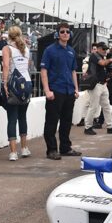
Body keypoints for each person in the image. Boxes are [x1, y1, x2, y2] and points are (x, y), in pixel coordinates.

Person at [40, 22, 82, 160]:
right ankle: (51, 150)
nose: (65, 34)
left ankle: (65, 148)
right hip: (55, 90)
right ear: (57, 34)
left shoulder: (71, 51)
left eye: (67, 32)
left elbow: (73, 71)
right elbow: (44, 71)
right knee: (51, 122)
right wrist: (47, 91)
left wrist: (76, 89)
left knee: (66, 121)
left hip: (69, 91)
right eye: (62, 31)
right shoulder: (49, 50)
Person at [2, 26, 32, 160]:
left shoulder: (7, 48)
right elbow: (28, 66)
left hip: (14, 84)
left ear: (9, 35)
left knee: (12, 118)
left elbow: (6, 66)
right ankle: (24, 148)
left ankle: (13, 152)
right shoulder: (26, 48)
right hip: (27, 83)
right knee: (23, 116)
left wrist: (4, 83)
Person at [83, 42, 112, 135]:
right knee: (93, 107)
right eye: (103, 49)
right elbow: (102, 63)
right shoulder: (94, 56)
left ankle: (110, 126)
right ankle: (88, 127)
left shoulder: (101, 57)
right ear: (98, 48)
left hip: (102, 84)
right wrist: (110, 60)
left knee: (106, 106)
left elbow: (103, 68)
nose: (105, 51)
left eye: (106, 49)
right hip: (96, 85)